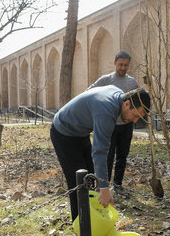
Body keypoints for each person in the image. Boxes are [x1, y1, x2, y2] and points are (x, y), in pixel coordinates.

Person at [50, 86, 151, 221]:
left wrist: (102, 187)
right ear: (127, 104)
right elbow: (100, 151)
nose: (135, 121)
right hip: (63, 132)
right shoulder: (106, 111)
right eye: (135, 116)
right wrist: (104, 189)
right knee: (78, 183)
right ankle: (81, 228)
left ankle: (92, 219)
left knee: (90, 178)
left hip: (81, 133)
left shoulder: (120, 96)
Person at [87, 50, 139, 195]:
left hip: (126, 126)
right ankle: (104, 186)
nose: (123, 68)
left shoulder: (132, 82)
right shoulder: (105, 80)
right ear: (115, 63)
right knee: (108, 156)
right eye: (120, 64)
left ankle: (117, 185)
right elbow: (89, 92)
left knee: (122, 156)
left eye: (126, 65)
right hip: (109, 125)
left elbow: (138, 102)